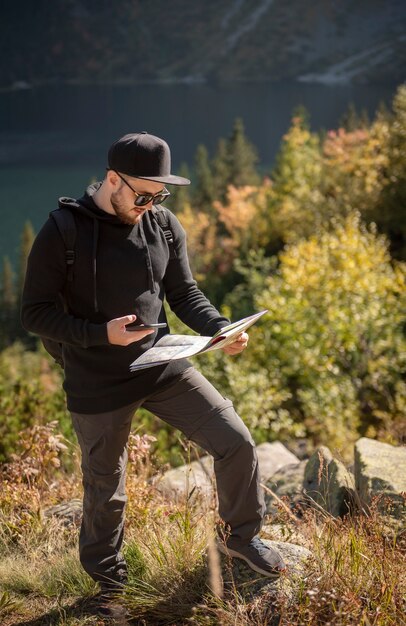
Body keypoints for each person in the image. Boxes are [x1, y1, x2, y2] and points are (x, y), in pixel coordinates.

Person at [21, 132, 286, 616]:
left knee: (237, 441)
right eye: (141, 194)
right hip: (97, 380)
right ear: (112, 180)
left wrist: (220, 329)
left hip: (160, 364)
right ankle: (109, 584)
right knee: (107, 489)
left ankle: (241, 539)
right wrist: (102, 334)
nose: (149, 204)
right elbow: (34, 313)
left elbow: (184, 294)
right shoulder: (63, 230)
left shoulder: (162, 224)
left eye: (158, 194)